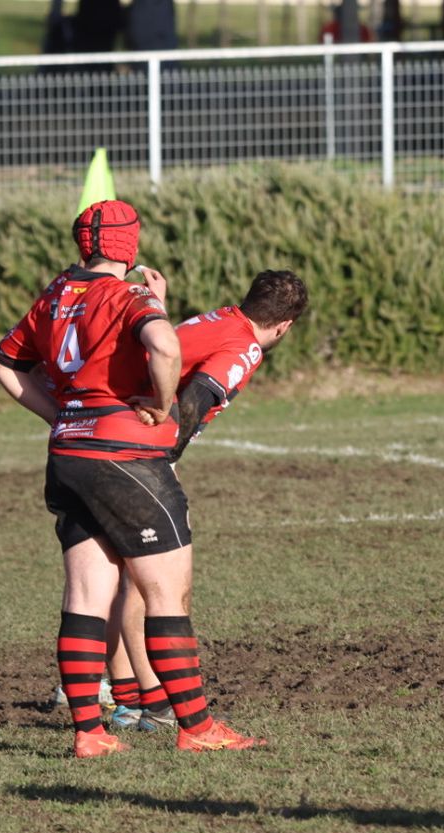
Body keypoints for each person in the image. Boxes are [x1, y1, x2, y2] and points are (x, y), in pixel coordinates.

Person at [0, 199, 265, 757]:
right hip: (126, 456)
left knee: (87, 594)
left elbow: (2, 362)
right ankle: (196, 726)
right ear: (127, 245)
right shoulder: (128, 294)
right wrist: (163, 406)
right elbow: (163, 344)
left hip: (68, 455)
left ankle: (90, 732)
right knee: (167, 594)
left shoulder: (55, 295)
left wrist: (59, 414)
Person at [104, 270, 310, 731]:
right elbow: (195, 400)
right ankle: (155, 702)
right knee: (154, 580)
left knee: (117, 575)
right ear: (284, 326)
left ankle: (126, 699)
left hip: (106, 431)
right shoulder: (245, 346)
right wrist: (163, 460)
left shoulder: (217, 320)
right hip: (140, 447)